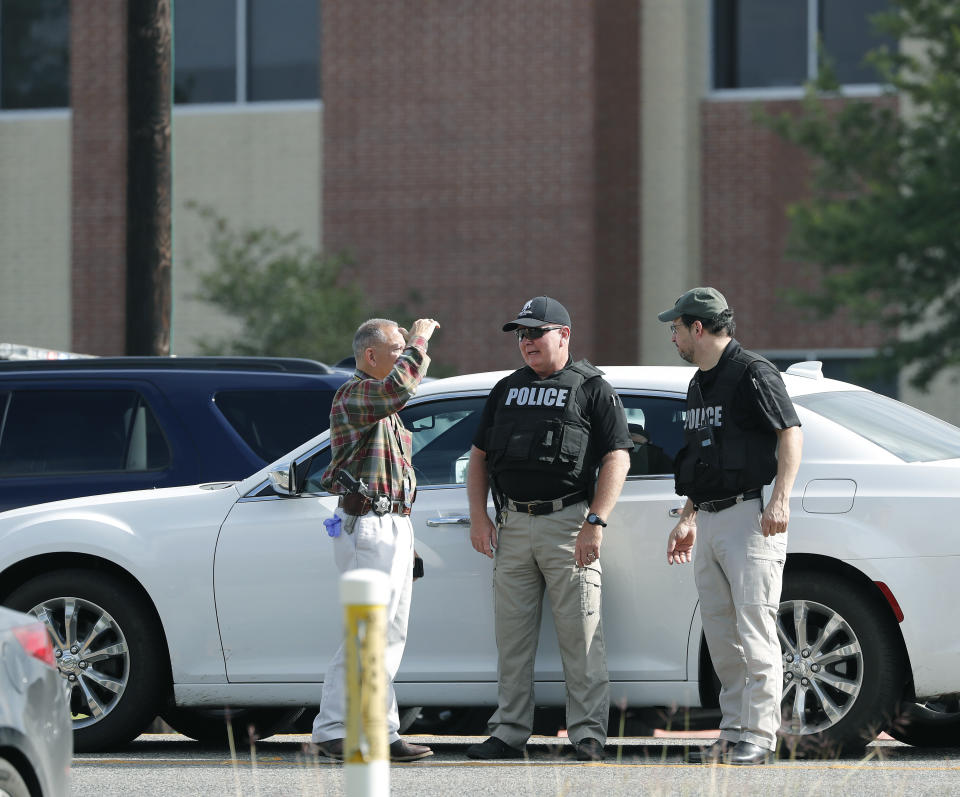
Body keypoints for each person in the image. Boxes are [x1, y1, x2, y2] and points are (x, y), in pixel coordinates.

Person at [465, 296, 632, 762]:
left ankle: (587, 735)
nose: (526, 342)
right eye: (521, 334)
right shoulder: (505, 389)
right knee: (512, 641)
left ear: (564, 335)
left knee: (581, 635)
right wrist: (479, 516)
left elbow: (617, 455)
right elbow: (478, 457)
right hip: (512, 524)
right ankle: (509, 732)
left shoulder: (592, 387)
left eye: (535, 333)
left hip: (568, 524)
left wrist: (595, 522)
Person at [659, 287, 802, 766]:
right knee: (722, 636)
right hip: (712, 517)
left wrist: (780, 500)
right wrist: (687, 516)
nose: (672, 336)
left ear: (697, 327)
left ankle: (759, 737)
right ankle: (733, 730)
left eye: (675, 328)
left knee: (756, 627)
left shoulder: (752, 372)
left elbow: (790, 432)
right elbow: (704, 458)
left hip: (750, 515)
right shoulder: (699, 383)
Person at [311, 316, 440, 762]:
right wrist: (421, 338)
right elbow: (400, 387)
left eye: (407, 345)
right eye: (398, 346)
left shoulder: (379, 404)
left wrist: (408, 539)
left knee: (388, 635)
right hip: (367, 523)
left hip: (390, 523)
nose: (406, 352)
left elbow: (395, 477)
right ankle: (332, 729)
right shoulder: (355, 393)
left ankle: (381, 731)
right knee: (369, 632)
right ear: (371, 355)